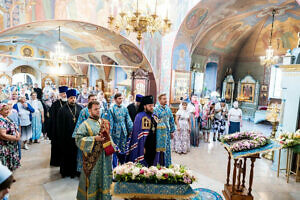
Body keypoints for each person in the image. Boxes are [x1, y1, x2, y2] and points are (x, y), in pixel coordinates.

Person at [75, 101, 114, 200]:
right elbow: (78, 140)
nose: (98, 111)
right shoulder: (85, 125)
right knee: (93, 181)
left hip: (105, 159)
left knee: (104, 179)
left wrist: (113, 146)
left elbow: (109, 138)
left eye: (99, 108)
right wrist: (94, 139)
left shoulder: (104, 122)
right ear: (89, 111)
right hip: (92, 162)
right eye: (95, 109)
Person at [57, 89, 82, 178]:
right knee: (66, 154)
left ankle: (75, 171)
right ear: (68, 98)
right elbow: (59, 126)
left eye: (74, 98)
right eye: (71, 98)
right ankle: (65, 172)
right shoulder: (62, 110)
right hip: (66, 137)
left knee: (76, 154)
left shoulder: (80, 108)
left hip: (77, 136)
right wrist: (61, 138)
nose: (73, 100)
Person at [127, 96, 157, 166]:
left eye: (153, 106)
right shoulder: (139, 116)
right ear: (144, 106)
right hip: (144, 145)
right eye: (150, 106)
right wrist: (141, 147)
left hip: (154, 145)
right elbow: (136, 135)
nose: (152, 107)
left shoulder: (154, 116)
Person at [72, 94, 97, 173]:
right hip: (86, 135)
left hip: (95, 135)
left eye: (95, 99)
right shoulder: (84, 111)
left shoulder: (99, 110)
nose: (94, 101)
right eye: (92, 99)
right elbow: (80, 123)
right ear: (88, 100)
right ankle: (82, 171)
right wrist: (77, 135)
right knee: (84, 153)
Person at [109, 93, 133, 167]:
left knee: (123, 148)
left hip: (123, 131)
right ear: (115, 99)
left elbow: (128, 119)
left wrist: (131, 129)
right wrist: (110, 133)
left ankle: (122, 165)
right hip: (115, 131)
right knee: (115, 148)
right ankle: (115, 166)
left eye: (122, 98)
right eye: (119, 98)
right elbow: (111, 121)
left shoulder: (125, 108)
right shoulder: (112, 109)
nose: (121, 100)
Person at [153, 94, 175, 167]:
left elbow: (171, 120)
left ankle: (167, 164)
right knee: (159, 150)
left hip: (167, 132)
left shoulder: (168, 109)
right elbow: (153, 121)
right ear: (159, 100)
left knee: (167, 148)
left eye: (166, 98)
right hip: (159, 133)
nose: (166, 100)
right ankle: (159, 165)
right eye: (164, 99)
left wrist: (172, 131)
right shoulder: (155, 109)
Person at [48, 86, 68, 166]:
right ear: (60, 94)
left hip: (67, 129)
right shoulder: (55, 104)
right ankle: (56, 162)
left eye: (65, 93)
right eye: (63, 93)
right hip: (57, 130)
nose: (64, 95)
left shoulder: (70, 103)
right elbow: (51, 119)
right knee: (56, 147)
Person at [0, 103, 21, 171]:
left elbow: (14, 127)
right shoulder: (1, 120)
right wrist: (16, 138)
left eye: (8, 109)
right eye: (5, 110)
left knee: (9, 164)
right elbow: (3, 135)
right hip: (5, 146)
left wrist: (17, 133)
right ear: (0, 110)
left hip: (11, 146)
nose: (8, 111)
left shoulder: (6, 117)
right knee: (5, 164)